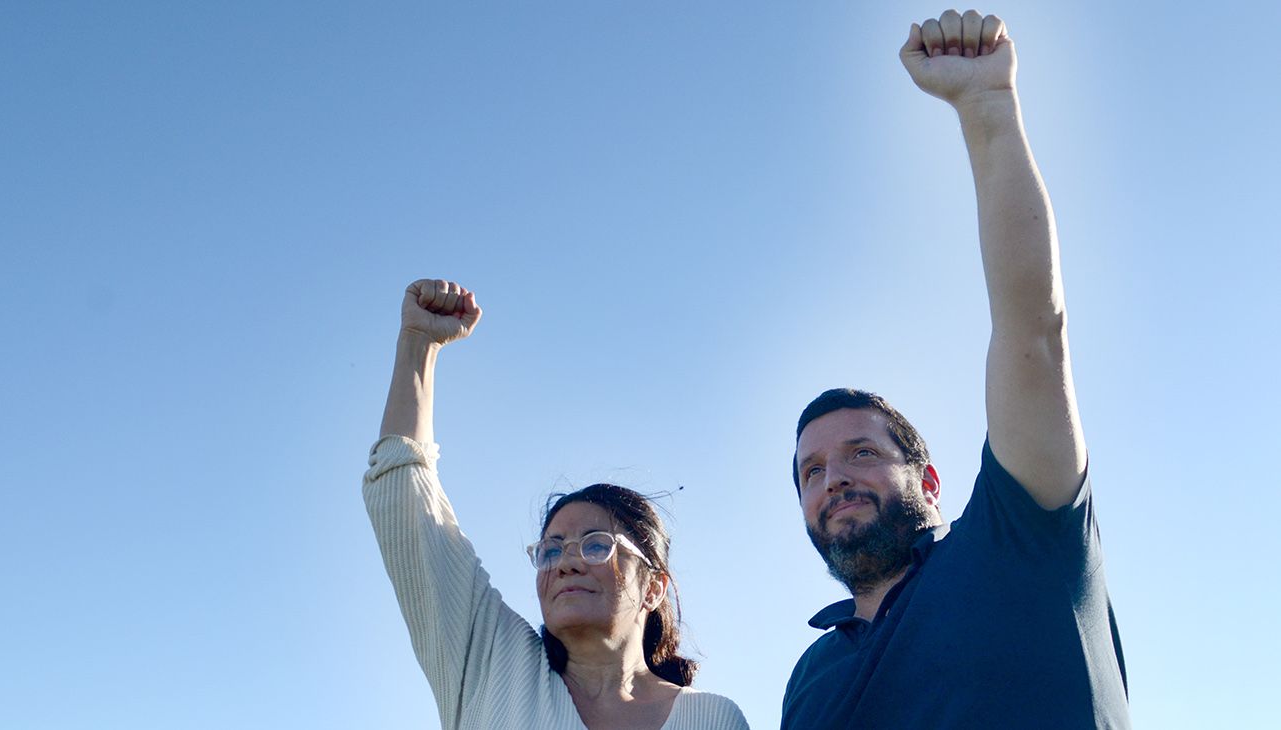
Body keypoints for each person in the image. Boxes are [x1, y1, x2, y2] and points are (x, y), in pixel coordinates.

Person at [781, 10, 1130, 729]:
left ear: (929, 480)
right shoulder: (811, 676)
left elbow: (1033, 329)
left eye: (861, 452)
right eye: (811, 471)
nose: (833, 478)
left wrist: (987, 109)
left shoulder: (1020, 539)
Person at [363, 279, 749, 730]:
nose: (565, 563)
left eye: (594, 545)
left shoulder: (713, 719)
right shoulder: (489, 660)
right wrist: (418, 344)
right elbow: (407, 495)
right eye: (551, 549)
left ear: (654, 587)